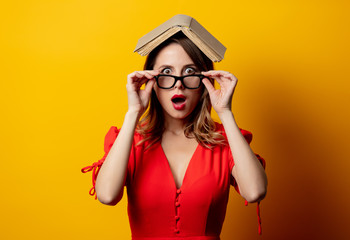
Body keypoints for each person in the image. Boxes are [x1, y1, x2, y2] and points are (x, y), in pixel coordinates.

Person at [81, 28, 267, 239]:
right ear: (150, 80)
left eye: (189, 72)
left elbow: (255, 192)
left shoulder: (225, 141)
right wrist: (134, 112)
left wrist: (224, 112)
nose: (178, 84)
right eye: (167, 73)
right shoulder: (130, 141)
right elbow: (106, 195)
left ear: (204, 81)